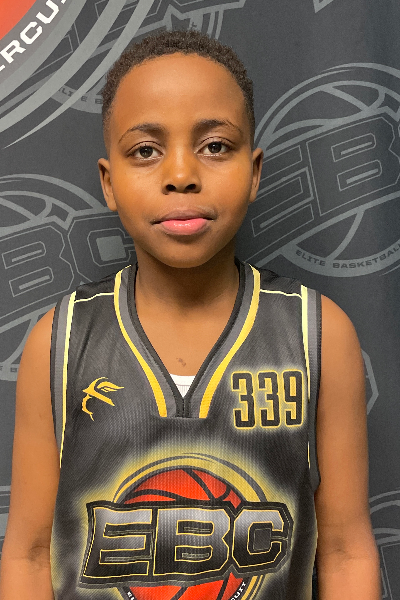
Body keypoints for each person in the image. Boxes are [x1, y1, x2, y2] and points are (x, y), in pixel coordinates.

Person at [0, 30, 380, 600]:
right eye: (145, 151)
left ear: (255, 172)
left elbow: (347, 552)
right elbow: (29, 556)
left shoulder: (317, 333)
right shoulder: (61, 340)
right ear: (109, 182)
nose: (181, 173)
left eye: (215, 146)